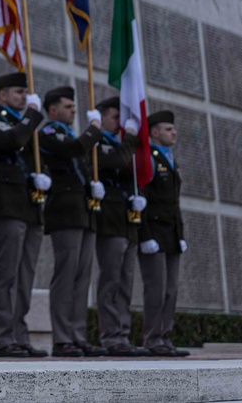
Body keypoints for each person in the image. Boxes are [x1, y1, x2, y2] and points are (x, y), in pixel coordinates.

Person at [0, 72, 51, 358]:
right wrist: (33, 115)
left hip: (29, 204)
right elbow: (10, 140)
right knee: (7, 272)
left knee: (25, 276)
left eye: (26, 93)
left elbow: (37, 155)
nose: (24, 97)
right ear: (2, 95)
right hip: (6, 204)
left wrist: (42, 176)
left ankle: (20, 334)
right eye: (18, 92)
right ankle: (5, 337)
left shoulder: (26, 123)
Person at [38, 86, 107, 358]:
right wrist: (94, 128)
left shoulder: (69, 133)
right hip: (64, 211)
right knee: (66, 277)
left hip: (83, 210)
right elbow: (75, 149)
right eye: (67, 106)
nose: (73, 110)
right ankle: (62, 337)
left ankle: (77, 335)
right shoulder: (49, 131)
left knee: (82, 278)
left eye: (72, 106)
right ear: (53, 109)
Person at [93, 96, 151, 357]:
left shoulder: (119, 145)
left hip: (127, 220)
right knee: (111, 281)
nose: (120, 124)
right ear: (102, 117)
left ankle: (123, 334)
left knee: (126, 281)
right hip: (109, 220)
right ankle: (110, 336)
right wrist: (130, 138)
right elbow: (115, 161)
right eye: (115, 118)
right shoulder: (95, 141)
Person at [139, 110, 190, 357]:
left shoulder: (171, 159)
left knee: (170, 290)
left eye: (174, 128)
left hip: (170, 233)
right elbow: (144, 199)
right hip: (154, 233)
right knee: (156, 289)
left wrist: (180, 234)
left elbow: (174, 202)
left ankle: (165, 336)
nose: (174, 133)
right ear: (155, 132)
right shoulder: (150, 157)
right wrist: (145, 235)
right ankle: (152, 338)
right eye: (168, 129)